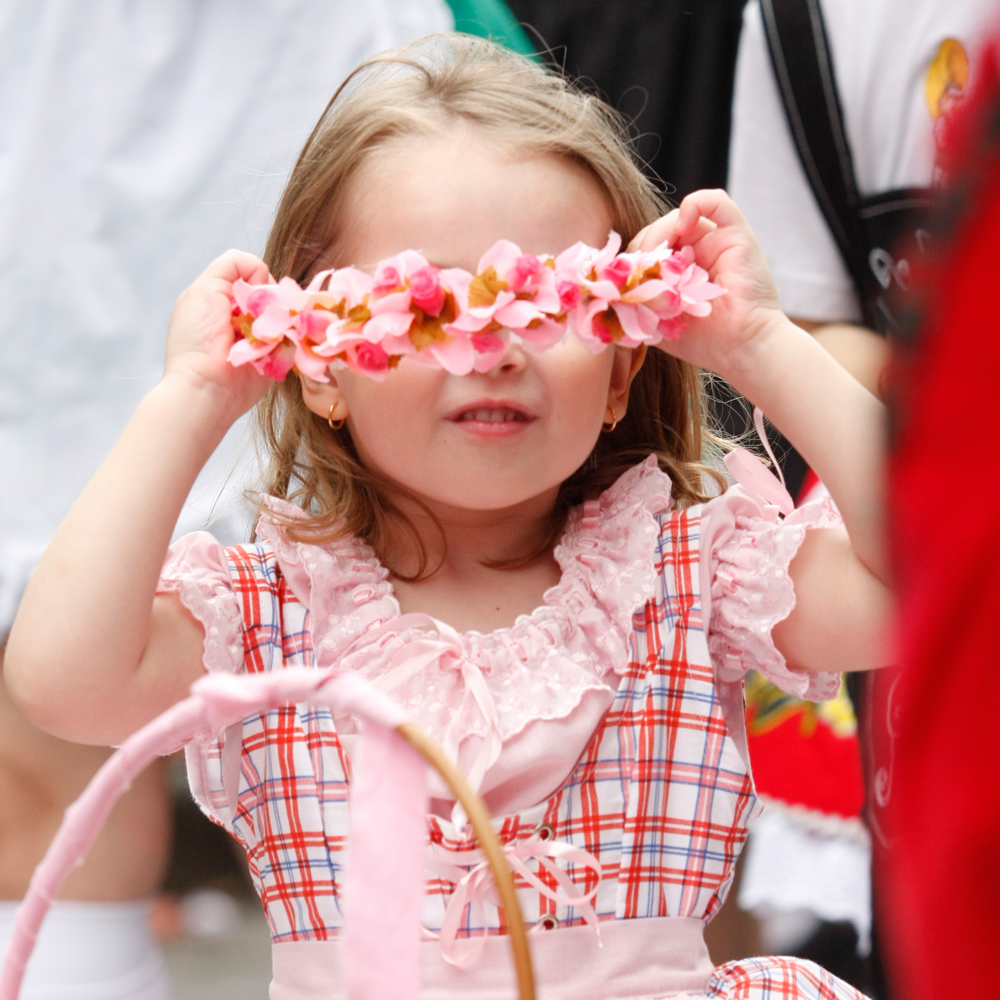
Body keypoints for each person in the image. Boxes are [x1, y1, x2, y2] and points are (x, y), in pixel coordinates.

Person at [4, 35, 889, 1000]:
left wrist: (760, 342)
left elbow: (933, 585)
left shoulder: (691, 571)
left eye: (544, 305)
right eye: (434, 311)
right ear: (322, 367)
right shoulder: (268, 616)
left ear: (621, 368)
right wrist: (189, 398)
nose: (496, 349)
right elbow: (63, 684)